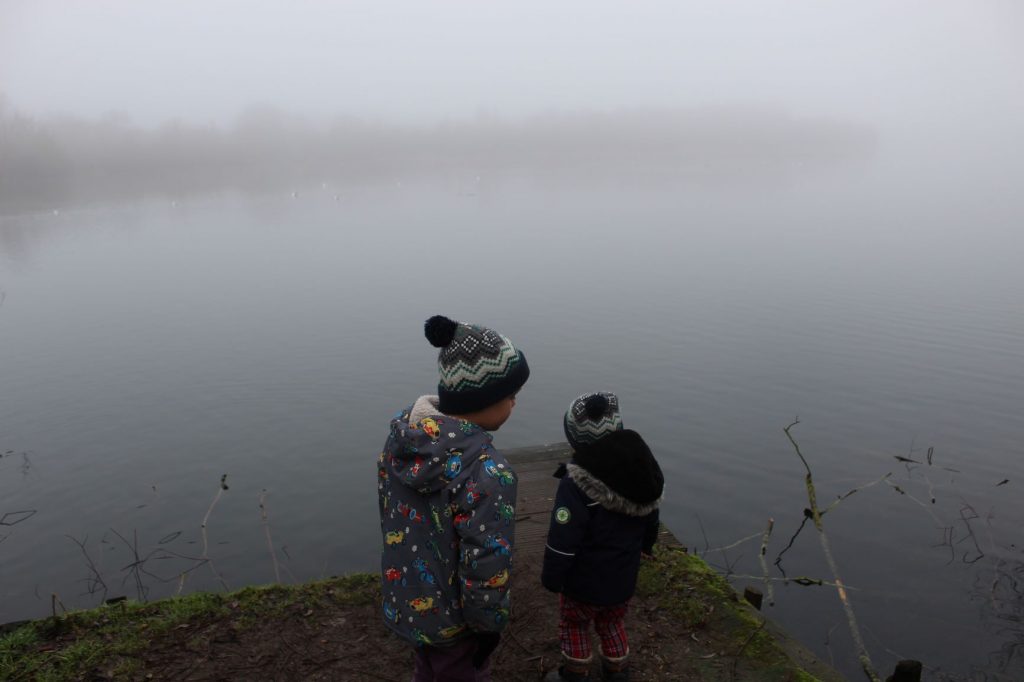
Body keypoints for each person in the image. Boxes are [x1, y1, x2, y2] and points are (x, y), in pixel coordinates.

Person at [377, 314, 530, 682]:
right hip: (458, 623)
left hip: (410, 604)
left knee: (427, 669)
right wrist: (487, 626)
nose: (515, 404)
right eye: (511, 395)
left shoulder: (402, 446)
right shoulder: (487, 472)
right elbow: (486, 561)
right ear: (484, 398)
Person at [541, 392, 664, 682]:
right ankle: (617, 671)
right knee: (612, 623)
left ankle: (575, 673)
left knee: (574, 625)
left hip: (582, 583)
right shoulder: (641, 476)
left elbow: (564, 538)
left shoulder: (576, 484)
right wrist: (646, 545)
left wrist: (552, 576)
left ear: (575, 440)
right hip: (623, 579)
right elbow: (652, 516)